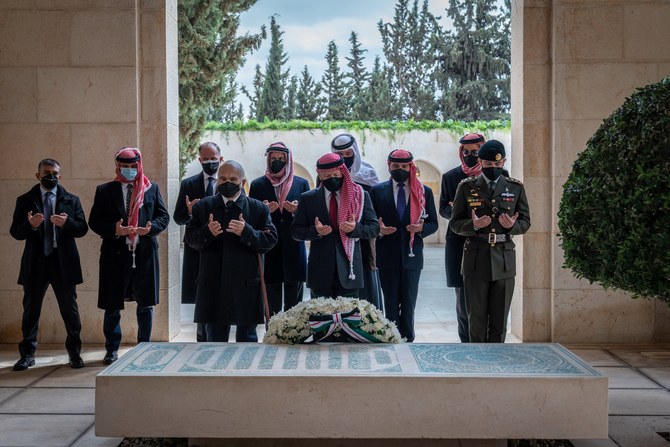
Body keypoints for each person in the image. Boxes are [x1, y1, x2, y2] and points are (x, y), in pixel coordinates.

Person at [89, 148, 170, 364]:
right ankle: (111, 349)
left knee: (145, 304)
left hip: (143, 254)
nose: (129, 170)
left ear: (139, 165)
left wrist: (151, 228)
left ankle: (144, 346)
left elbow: (163, 216)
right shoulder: (105, 190)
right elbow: (94, 221)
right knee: (112, 305)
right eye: (125, 166)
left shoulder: (150, 189)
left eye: (133, 166)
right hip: (114, 256)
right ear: (117, 166)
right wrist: (115, 230)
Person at [185, 160, 277, 342]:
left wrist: (247, 231)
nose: (228, 183)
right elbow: (190, 240)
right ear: (217, 180)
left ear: (242, 183)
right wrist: (207, 232)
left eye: (233, 179)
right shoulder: (203, 207)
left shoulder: (258, 208)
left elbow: (270, 241)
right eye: (223, 178)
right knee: (214, 342)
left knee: (247, 341)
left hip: (247, 285)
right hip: (213, 284)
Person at [10, 159, 88, 371]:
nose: (51, 176)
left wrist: (67, 224)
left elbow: (82, 229)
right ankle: (27, 355)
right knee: (31, 311)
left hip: (63, 262)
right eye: (46, 173)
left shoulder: (71, 199)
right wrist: (30, 225)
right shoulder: (25, 200)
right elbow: (15, 232)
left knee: (70, 311)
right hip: (35, 262)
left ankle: (75, 354)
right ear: (38, 175)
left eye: (55, 173)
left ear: (60, 176)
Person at [450, 140, 531, 343]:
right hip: (475, 258)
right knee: (475, 320)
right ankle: (476, 364)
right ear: (480, 162)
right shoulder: (467, 187)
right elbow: (455, 224)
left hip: (504, 259)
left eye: (497, 164)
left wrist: (511, 226)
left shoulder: (515, 187)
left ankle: (497, 364)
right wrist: (474, 225)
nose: (493, 168)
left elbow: (526, 222)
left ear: (503, 161)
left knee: (499, 321)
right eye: (488, 165)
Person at [439, 133, 509, 343]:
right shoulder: (450, 177)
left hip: (489, 245)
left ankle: (489, 345)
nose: (470, 155)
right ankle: (466, 344)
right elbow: (444, 208)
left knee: (491, 299)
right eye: (466, 152)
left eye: (475, 152)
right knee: (464, 301)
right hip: (460, 242)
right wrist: (461, 212)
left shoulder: (501, 174)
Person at [370, 149, 438, 342]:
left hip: (412, 256)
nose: (400, 169)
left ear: (411, 167)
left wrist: (421, 229)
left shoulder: (424, 192)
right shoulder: (377, 191)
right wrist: (379, 230)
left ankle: (408, 339)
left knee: (409, 302)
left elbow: (433, 223)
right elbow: (370, 222)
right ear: (389, 166)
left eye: (404, 166)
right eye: (396, 166)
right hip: (387, 255)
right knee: (390, 301)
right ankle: (391, 337)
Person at [291, 153, 379, 299]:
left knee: (348, 318)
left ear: (343, 171)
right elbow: (296, 231)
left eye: (335, 174)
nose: (332, 178)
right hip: (319, 271)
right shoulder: (308, 198)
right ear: (319, 174)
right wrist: (316, 231)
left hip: (349, 269)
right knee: (321, 319)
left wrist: (355, 228)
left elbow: (374, 228)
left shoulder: (360, 196)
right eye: (327, 175)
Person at [248, 142, 309, 315]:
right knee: (271, 303)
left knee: (294, 304)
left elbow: (309, 217)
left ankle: (295, 336)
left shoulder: (301, 184)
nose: (276, 162)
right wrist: (264, 211)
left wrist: (296, 211)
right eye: (273, 158)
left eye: (280, 159)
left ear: (287, 160)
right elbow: (251, 218)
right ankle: (272, 335)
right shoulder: (258, 185)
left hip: (294, 248)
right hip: (270, 250)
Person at [173, 141, 223, 342]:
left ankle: (219, 336)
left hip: (222, 246)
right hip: (197, 248)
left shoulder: (229, 180)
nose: (210, 162)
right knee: (201, 294)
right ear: (200, 160)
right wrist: (189, 211)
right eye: (206, 159)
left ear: (221, 158)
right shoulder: (188, 184)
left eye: (214, 158)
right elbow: (178, 218)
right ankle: (202, 339)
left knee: (221, 291)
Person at [330, 133, 383, 310]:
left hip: (364, 240)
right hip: (337, 240)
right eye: (340, 155)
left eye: (348, 154)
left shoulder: (367, 174)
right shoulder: (328, 176)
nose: (345, 159)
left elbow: (374, 214)